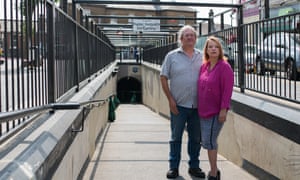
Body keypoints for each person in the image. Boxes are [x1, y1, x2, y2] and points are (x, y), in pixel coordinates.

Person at [160, 25, 205, 179]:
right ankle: (173, 167)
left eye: (192, 35)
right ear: (181, 39)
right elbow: (163, 77)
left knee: (195, 139)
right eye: (186, 35)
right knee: (175, 138)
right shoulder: (171, 56)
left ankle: (194, 166)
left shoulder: (202, 56)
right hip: (178, 105)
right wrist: (170, 100)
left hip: (198, 107)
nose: (190, 38)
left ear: (196, 39)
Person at [197, 36, 234, 180]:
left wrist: (223, 109)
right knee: (207, 142)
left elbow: (227, 90)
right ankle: (214, 170)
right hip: (203, 112)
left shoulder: (224, 67)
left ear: (220, 50)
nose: (213, 49)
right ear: (206, 50)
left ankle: (213, 172)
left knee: (209, 142)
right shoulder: (204, 66)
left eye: (216, 47)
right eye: (210, 47)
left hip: (216, 112)